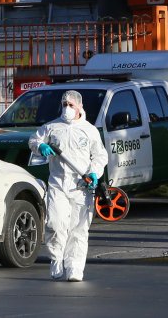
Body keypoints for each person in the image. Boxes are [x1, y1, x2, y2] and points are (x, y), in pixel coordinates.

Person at [28, 90, 108, 282]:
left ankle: (74, 268)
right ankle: (56, 259)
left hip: (82, 186)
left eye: (71, 105)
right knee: (55, 223)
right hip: (57, 183)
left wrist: (94, 172)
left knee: (78, 229)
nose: (67, 108)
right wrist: (40, 147)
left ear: (80, 107)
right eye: (64, 104)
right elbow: (33, 140)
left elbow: (100, 155)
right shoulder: (52, 127)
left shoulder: (89, 130)